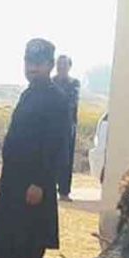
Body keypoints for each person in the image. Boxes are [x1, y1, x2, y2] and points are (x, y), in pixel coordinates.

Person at [0, 39, 71, 258]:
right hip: (13, 179)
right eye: (29, 63)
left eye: (38, 64)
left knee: (29, 236)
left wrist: (41, 183)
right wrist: (3, 177)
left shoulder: (56, 99)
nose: (32, 69)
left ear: (50, 65)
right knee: (3, 234)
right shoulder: (28, 94)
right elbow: (16, 140)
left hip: (34, 182)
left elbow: (55, 145)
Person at [53, 54, 80, 201]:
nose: (61, 67)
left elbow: (71, 102)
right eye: (59, 64)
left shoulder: (74, 83)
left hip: (66, 127)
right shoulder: (50, 82)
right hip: (50, 126)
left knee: (66, 159)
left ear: (69, 66)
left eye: (64, 64)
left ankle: (64, 192)